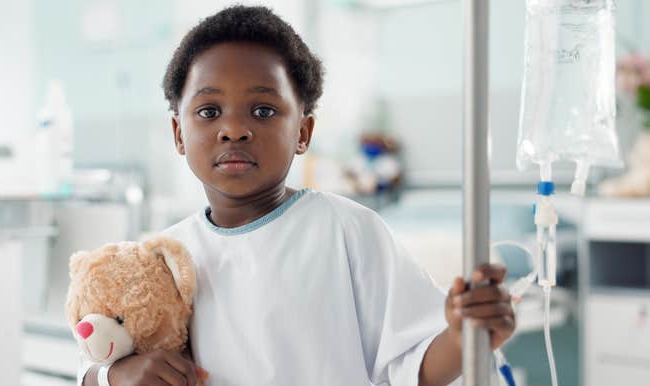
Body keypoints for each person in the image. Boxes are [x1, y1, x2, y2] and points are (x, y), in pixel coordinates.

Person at [79, 5, 515, 386]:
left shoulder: (346, 231)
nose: (233, 129)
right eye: (209, 112)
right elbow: (94, 356)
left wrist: (463, 334)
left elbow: (414, 365)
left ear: (303, 132)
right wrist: (114, 376)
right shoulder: (163, 259)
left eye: (264, 110)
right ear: (179, 132)